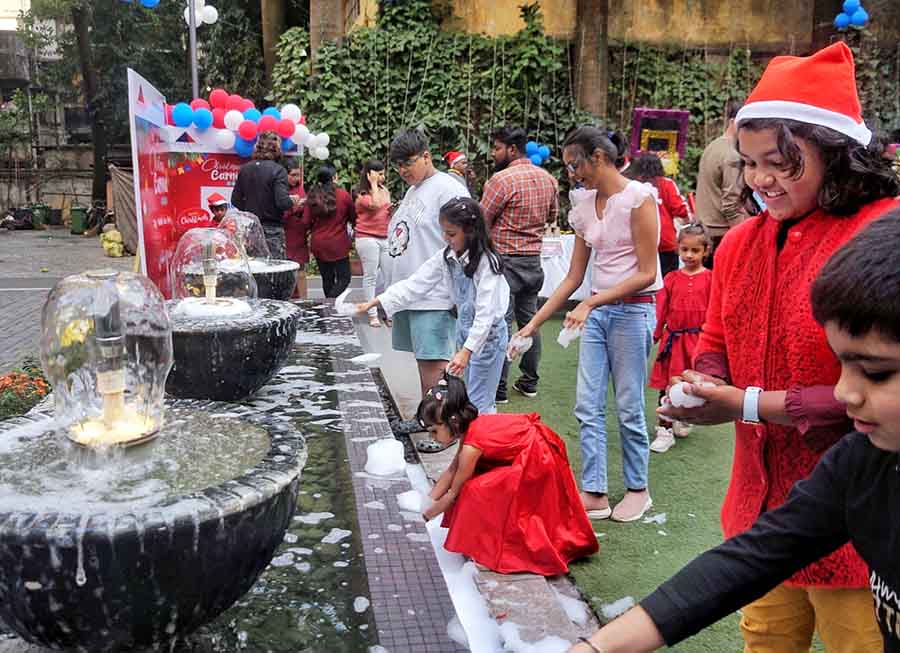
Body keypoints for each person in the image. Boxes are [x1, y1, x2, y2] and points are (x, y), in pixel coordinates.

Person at [654, 42, 900, 652]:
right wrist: (703, 381)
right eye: (750, 163)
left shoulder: (882, 235)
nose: (761, 179)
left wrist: (745, 404)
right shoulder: (741, 243)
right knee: (765, 641)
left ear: (836, 153)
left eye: (781, 163)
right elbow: (717, 337)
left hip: (860, 519)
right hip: (761, 509)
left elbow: (874, 392)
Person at [567, 209, 900, 653]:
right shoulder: (863, 461)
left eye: (876, 373)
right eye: (841, 365)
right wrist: (595, 648)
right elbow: (753, 558)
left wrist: (745, 403)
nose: (844, 392)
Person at [514, 126, 660, 524]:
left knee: (628, 405)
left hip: (632, 312)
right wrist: (533, 324)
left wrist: (592, 302)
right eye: (567, 167)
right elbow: (573, 276)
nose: (572, 174)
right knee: (587, 405)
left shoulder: (639, 199)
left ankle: (638, 490)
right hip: (597, 314)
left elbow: (647, 273)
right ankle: (595, 491)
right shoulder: (582, 203)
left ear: (598, 157)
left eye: (574, 164)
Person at [417, 374, 598, 575]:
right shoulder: (469, 431)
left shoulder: (470, 447)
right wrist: (427, 501)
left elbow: (453, 493)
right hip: (529, 450)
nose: (432, 437)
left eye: (434, 431)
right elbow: (452, 470)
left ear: (453, 422)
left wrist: (424, 517)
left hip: (537, 459)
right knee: (474, 482)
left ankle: (497, 550)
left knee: (475, 490)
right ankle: (486, 541)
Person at [356, 197, 509, 427]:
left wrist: (466, 351)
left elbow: (486, 314)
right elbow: (416, 283)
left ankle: (482, 444)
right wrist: (377, 301)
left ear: (471, 231)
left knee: (481, 402)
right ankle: (470, 444)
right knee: (469, 399)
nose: (445, 238)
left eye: (451, 233)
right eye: (443, 232)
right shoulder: (447, 256)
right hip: (466, 332)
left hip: (488, 337)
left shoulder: (487, 263)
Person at [384, 128, 470, 437]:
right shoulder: (413, 191)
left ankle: (443, 429)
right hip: (410, 294)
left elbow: (465, 242)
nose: (402, 170)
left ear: (426, 156)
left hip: (434, 296)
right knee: (424, 365)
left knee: (435, 367)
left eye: (408, 163)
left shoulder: (448, 189)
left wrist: (460, 295)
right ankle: (427, 419)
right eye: (398, 165)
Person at [481, 126, 559, 403]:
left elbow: (482, 220)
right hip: (533, 262)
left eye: (497, 148)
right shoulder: (549, 180)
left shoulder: (501, 180)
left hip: (504, 263)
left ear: (512, 149)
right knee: (530, 322)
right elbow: (552, 216)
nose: (493, 153)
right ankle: (529, 382)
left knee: (501, 324)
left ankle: (499, 388)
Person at [647, 224, 712, 453]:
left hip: (698, 342)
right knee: (668, 385)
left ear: (705, 251)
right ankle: (664, 430)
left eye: (695, 250)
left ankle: (684, 417)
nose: (689, 255)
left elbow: (716, 312)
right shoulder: (671, 278)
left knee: (694, 385)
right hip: (673, 342)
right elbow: (660, 310)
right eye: (685, 250)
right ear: (678, 249)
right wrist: (654, 335)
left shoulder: (712, 279)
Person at [694, 99, 750, 265]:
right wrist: (743, 240)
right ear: (733, 122)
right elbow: (731, 203)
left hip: (705, 229)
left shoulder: (713, 146)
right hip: (721, 234)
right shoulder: (732, 154)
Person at [231, 131, 299, 259]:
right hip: (272, 231)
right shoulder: (278, 170)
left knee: (256, 267)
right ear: (276, 149)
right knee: (274, 268)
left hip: (252, 229)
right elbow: (282, 202)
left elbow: (235, 200)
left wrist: (251, 209)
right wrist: (292, 200)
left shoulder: (245, 169)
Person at [625, 153, 691, 279]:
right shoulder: (667, 184)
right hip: (665, 241)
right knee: (668, 279)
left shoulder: (632, 185)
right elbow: (680, 209)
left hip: (639, 240)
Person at [305, 165, 355, 298]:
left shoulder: (313, 195)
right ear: (334, 178)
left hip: (318, 244)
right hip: (338, 243)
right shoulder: (343, 195)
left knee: (327, 279)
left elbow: (306, 222)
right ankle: (331, 302)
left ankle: (330, 305)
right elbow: (353, 217)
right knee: (344, 278)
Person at [354, 159, 392, 327]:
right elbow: (375, 204)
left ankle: (389, 312)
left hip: (385, 236)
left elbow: (385, 209)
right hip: (367, 237)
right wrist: (374, 184)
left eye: (383, 173)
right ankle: (372, 314)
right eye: (379, 174)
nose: (383, 177)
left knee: (389, 275)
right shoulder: (361, 193)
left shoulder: (385, 190)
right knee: (371, 276)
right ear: (369, 175)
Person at [283, 164, 310, 298]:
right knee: (286, 271)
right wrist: (294, 207)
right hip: (285, 235)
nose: (296, 178)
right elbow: (278, 213)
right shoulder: (280, 189)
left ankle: (304, 301)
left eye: (298, 175)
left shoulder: (300, 188)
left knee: (301, 270)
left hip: (299, 235)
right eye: (293, 175)